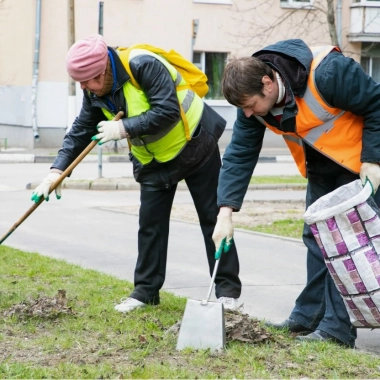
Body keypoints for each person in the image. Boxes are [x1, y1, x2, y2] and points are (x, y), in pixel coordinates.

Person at [31, 34, 241, 313]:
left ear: (105, 68)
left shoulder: (143, 65)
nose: (85, 88)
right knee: (150, 225)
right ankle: (145, 292)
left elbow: (167, 109)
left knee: (212, 219)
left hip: (195, 145)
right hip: (153, 160)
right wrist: (56, 172)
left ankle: (227, 293)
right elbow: (82, 129)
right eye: (80, 83)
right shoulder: (94, 88)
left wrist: (123, 128)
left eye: (88, 81)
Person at [211, 39, 380, 348]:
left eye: (250, 106)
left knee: (346, 245)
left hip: (364, 167)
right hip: (322, 168)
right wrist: (225, 212)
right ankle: (309, 317)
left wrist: (373, 159)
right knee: (316, 239)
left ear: (267, 83)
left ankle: (337, 331)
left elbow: (377, 103)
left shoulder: (327, 72)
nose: (248, 115)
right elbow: (240, 153)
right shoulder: (251, 103)